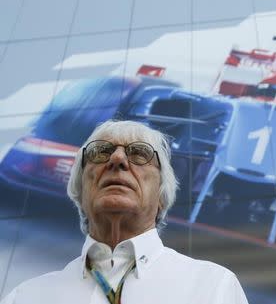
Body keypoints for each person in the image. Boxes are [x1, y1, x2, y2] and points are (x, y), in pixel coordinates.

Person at [0, 120, 248, 304]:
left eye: (139, 153)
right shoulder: (25, 297)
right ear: (80, 191)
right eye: (101, 152)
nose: (117, 159)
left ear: (161, 196)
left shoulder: (213, 288)